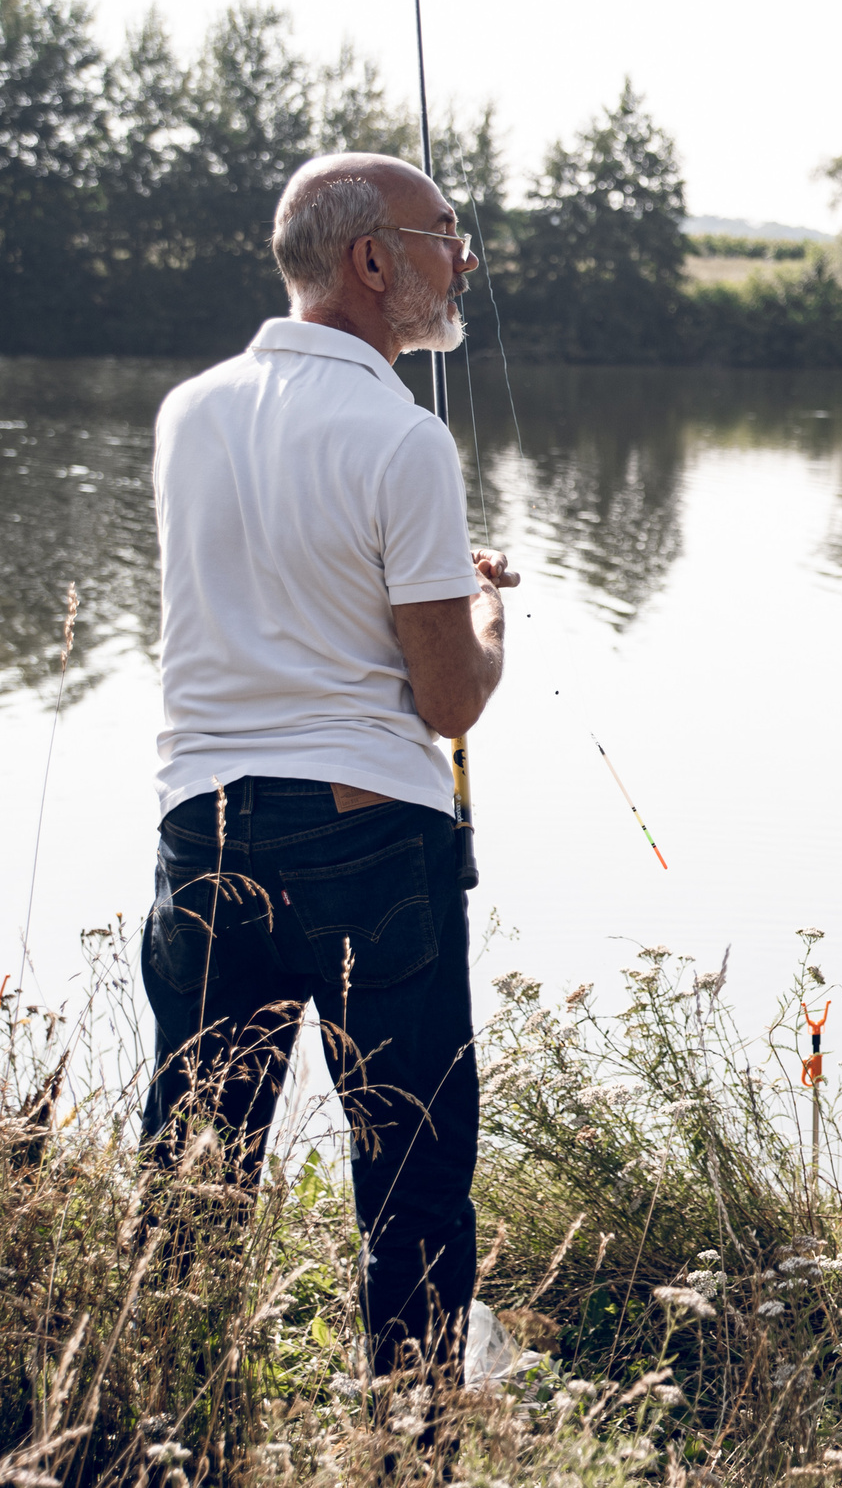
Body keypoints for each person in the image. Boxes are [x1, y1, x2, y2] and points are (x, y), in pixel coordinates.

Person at [146, 151, 511, 1379]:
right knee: (410, 1180)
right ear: (372, 261)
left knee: (195, 1175)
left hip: (200, 830)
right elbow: (448, 698)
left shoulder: (187, 410)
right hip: (367, 843)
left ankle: (157, 1434)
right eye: (447, 234)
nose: (464, 259)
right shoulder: (402, 440)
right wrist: (487, 616)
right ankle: (410, 1450)